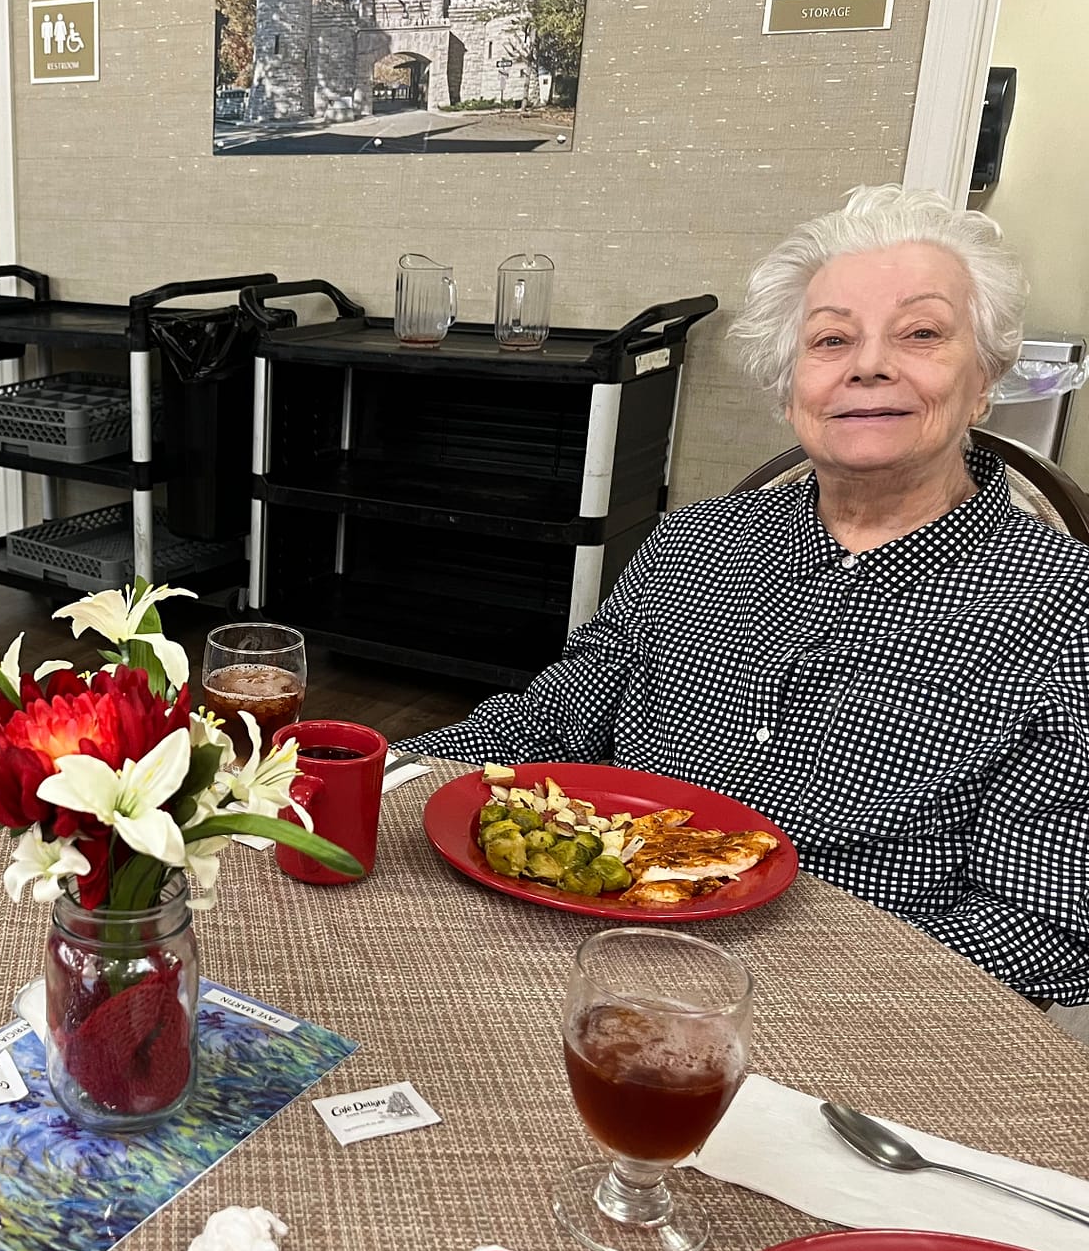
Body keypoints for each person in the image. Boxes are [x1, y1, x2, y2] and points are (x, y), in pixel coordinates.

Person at [409, 185, 1089, 1006]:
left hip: (857, 1007)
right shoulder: (692, 544)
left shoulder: (1063, 613)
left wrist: (798, 991)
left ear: (984, 379)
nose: (868, 364)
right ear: (789, 385)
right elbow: (552, 721)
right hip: (579, 938)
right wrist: (375, 771)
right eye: (831, 338)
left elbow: (1042, 919)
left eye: (921, 333)